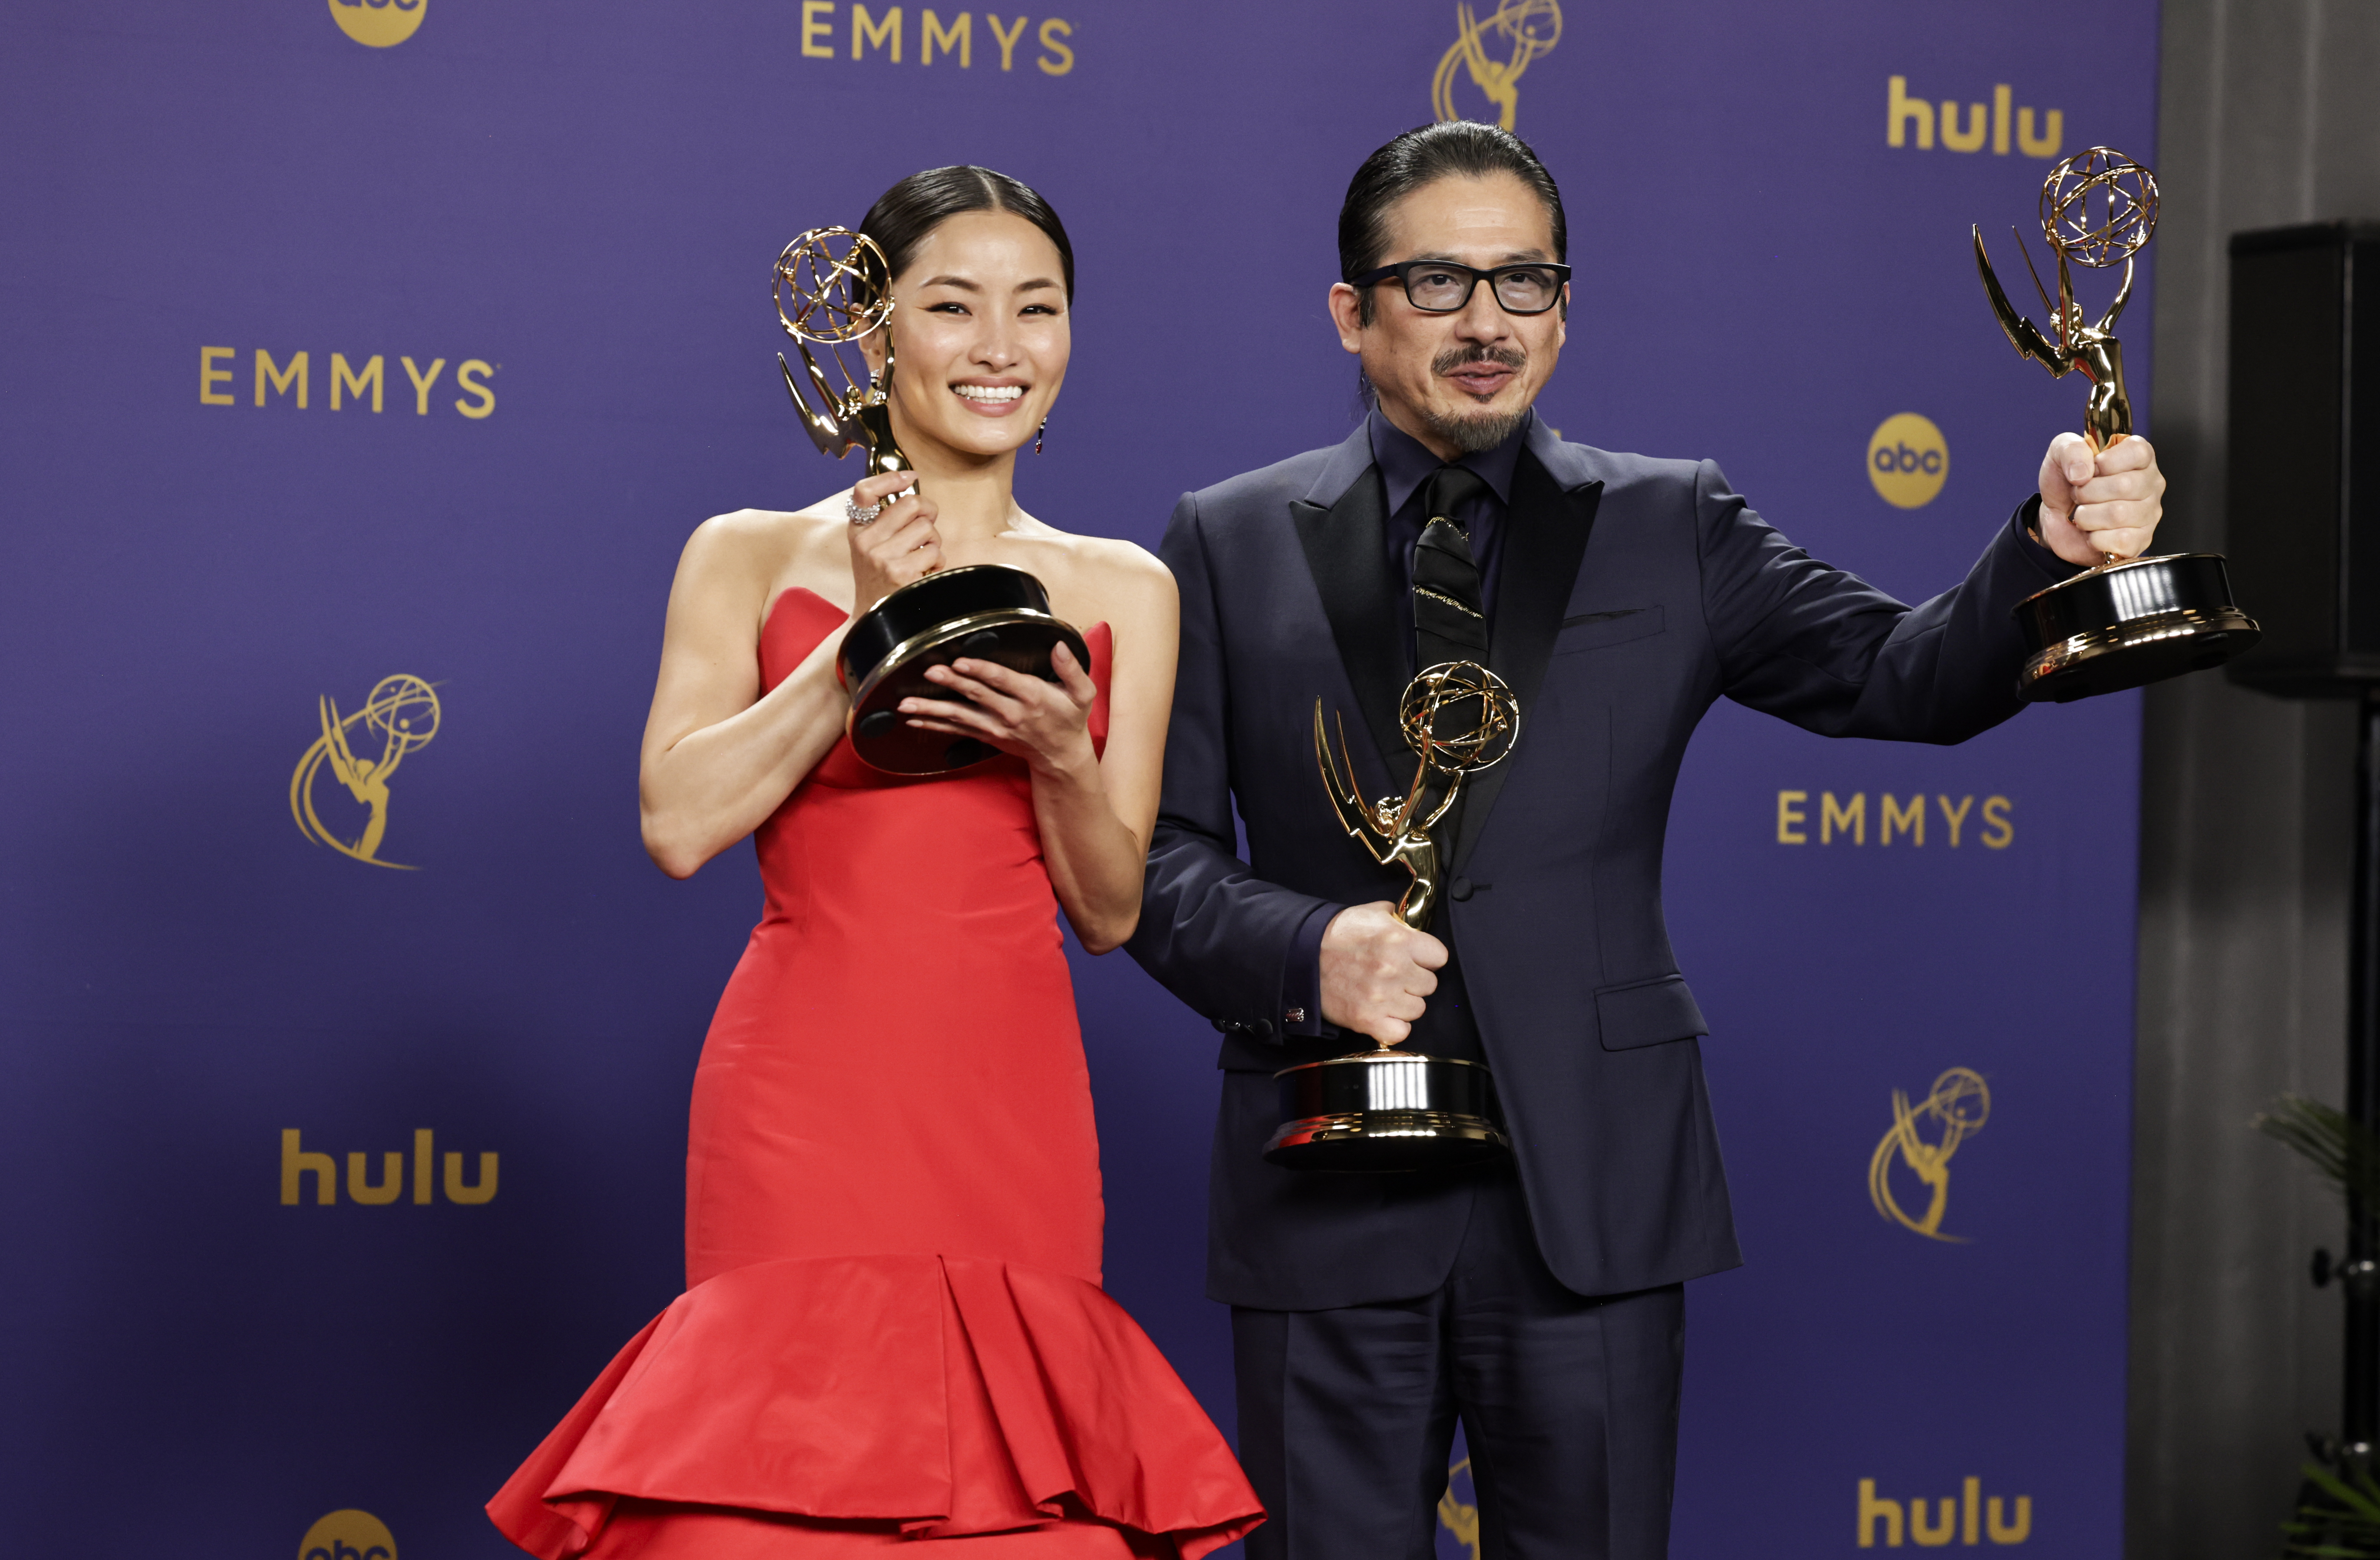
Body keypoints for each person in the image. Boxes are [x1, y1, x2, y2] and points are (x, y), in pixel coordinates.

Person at [1124, 122, 2165, 1560]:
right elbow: (1153, 861)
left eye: (1524, 282)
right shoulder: (1223, 539)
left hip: (1595, 1200)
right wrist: (1310, 949)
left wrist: (2042, 550)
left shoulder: (1672, 519)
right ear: (1350, 313)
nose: (1487, 323)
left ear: (1564, 305)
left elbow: (1903, 675)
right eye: (1434, 284)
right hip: (1326, 1183)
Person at [488, 165, 1263, 1560]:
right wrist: (862, 639)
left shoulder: (1123, 588)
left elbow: (1109, 908)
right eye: (952, 306)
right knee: (766, 1515)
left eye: (1037, 309)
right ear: (875, 331)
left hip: (1009, 1098)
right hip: (803, 1092)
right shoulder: (744, 554)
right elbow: (678, 822)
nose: (999, 348)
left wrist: (1063, 757)